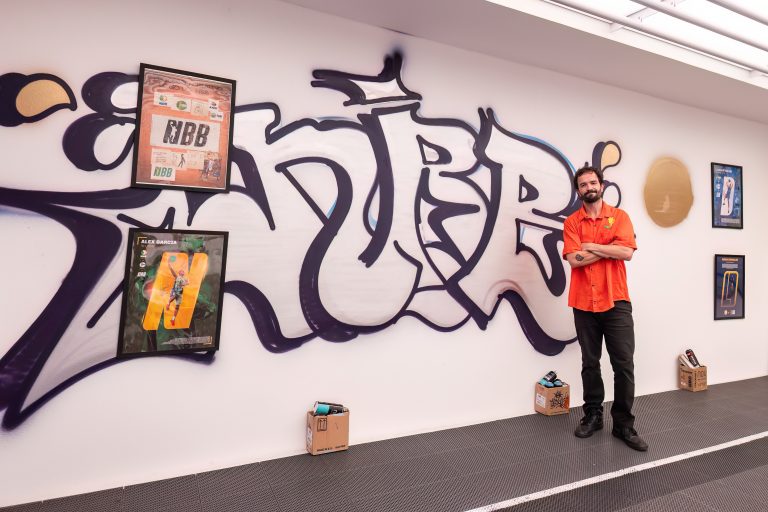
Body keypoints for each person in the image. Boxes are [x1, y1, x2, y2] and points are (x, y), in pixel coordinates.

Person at [561, 164, 648, 451]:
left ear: (601, 185)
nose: (589, 188)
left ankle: (623, 424)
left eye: (592, 183)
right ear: (578, 191)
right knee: (590, 363)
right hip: (583, 302)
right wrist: (608, 248)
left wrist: (591, 246)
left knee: (623, 365)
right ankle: (593, 415)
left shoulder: (620, 217)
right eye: (583, 184)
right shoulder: (572, 222)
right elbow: (574, 260)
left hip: (616, 301)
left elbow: (627, 252)